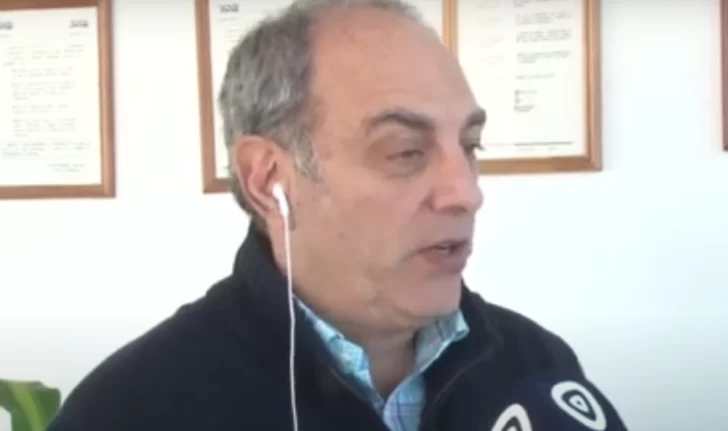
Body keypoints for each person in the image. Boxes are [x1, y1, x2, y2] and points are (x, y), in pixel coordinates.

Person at [46, 0, 621, 430]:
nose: (465, 193)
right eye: (405, 151)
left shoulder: (537, 366)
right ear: (269, 179)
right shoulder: (132, 409)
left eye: (470, 146)